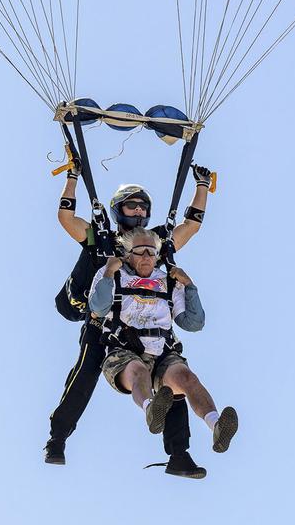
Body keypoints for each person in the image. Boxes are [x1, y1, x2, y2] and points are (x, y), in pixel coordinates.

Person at [46, 159, 214, 479]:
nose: (137, 212)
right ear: (118, 209)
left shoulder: (155, 243)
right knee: (83, 378)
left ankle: (180, 455)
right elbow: (66, 218)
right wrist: (72, 177)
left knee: (173, 379)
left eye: (142, 207)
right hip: (105, 325)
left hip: (147, 328)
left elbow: (189, 226)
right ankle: (57, 439)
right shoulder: (101, 237)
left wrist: (202, 186)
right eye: (131, 206)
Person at [89, 227, 238, 455]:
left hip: (162, 352)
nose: (147, 256)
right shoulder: (113, 274)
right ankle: (151, 410)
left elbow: (193, 323)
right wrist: (109, 273)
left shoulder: (166, 281)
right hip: (123, 351)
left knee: (187, 378)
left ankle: (216, 425)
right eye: (140, 251)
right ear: (127, 254)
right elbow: (98, 308)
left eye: (151, 251)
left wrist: (189, 286)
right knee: (139, 370)